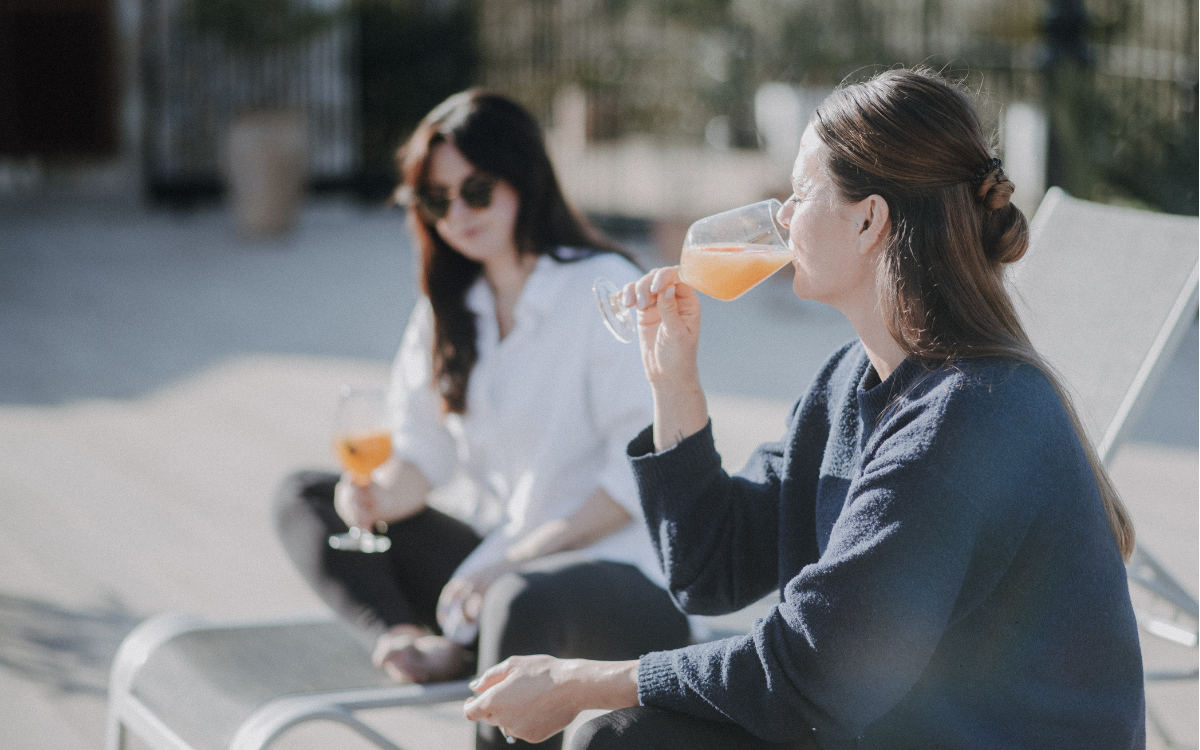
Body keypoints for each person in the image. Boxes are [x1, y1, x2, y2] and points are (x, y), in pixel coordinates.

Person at [460, 69, 1146, 749]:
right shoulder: (850, 382)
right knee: (626, 733)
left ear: (869, 220)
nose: (781, 216)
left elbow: (810, 672)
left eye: (800, 193)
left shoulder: (972, 414)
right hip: (884, 721)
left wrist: (585, 681)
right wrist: (674, 386)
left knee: (619, 736)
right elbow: (711, 570)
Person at [273, 89, 690, 750]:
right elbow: (424, 454)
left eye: (476, 189)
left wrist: (510, 561)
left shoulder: (604, 289)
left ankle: (463, 640)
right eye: (437, 199)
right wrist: (378, 494)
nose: (458, 213)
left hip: (614, 576)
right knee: (306, 498)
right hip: (493, 566)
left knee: (517, 596)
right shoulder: (449, 306)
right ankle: (409, 643)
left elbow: (637, 475)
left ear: (522, 179)